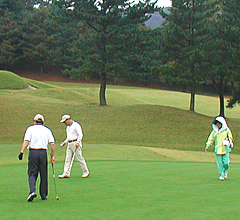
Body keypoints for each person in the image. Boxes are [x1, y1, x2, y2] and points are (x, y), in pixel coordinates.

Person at [18, 114, 55, 202]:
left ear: (35, 121)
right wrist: (52, 156)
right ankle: (44, 194)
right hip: (43, 153)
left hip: (33, 152)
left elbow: (26, 141)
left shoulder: (30, 129)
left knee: (32, 173)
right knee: (43, 173)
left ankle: (32, 191)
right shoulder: (47, 130)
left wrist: (21, 152)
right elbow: (52, 144)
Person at [58, 114, 89, 178]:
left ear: (68, 120)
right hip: (69, 144)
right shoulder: (68, 127)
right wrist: (65, 142)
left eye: (65, 121)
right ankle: (66, 173)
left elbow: (80, 134)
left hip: (75, 143)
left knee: (79, 158)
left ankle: (85, 172)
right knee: (68, 158)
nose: (64, 123)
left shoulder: (76, 125)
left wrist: (78, 142)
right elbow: (69, 137)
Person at [205, 116, 234, 181]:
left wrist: (228, 141)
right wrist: (208, 145)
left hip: (225, 149)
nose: (218, 125)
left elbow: (230, 137)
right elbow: (211, 138)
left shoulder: (226, 130)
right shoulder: (214, 131)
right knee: (219, 164)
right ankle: (222, 175)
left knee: (226, 163)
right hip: (218, 149)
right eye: (217, 124)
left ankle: (225, 170)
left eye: (219, 124)